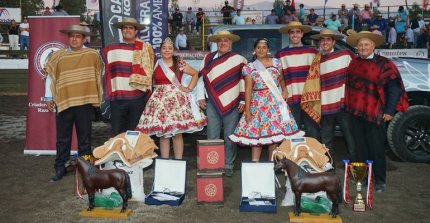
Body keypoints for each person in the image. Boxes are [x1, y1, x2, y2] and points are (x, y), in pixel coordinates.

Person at [345, 31, 409, 192]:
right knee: (360, 148)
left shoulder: (384, 63)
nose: (363, 47)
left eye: (366, 44)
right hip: (356, 113)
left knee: (377, 148)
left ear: (373, 46)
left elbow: (394, 90)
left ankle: (380, 181)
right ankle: (362, 178)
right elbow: (350, 88)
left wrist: (389, 111)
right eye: (360, 45)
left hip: (376, 113)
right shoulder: (354, 63)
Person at [229, 38, 304, 161]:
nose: (261, 50)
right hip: (258, 103)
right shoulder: (249, 67)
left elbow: (280, 80)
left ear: (268, 50)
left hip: (275, 103)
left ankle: (271, 164)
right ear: (254, 50)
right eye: (258, 47)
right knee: (257, 135)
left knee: (274, 136)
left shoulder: (276, 63)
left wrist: (285, 89)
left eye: (264, 47)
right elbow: (248, 88)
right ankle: (255, 164)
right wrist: (247, 110)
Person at [44, 25, 102, 182]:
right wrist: (49, 98)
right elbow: (50, 76)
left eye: (78, 36)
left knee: (85, 139)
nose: (74, 39)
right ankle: (60, 168)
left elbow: (98, 74)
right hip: (64, 101)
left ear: (84, 39)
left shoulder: (92, 55)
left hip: (84, 102)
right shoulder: (58, 56)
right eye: (72, 36)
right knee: (63, 139)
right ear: (68, 38)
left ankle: (86, 169)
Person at [136, 38, 206, 159]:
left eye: (170, 48)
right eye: (164, 48)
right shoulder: (156, 63)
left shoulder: (179, 62)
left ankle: (178, 161)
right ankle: (164, 161)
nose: (167, 50)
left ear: (174, 50)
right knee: (163, 135)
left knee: (177, 134)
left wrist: (188, 88)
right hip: (160, 102)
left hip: (177, 101)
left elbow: (196, 73)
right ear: (160, 50)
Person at [197, 30, 247, 177]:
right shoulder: (207, 59)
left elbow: (244, 80)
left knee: (230, 136)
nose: (223, 43)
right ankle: (213, 164)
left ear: (231, 43)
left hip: (233, 102)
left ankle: (228, 164)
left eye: (226, 40)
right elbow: (201, 79)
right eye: (220, 41)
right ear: (216, 43)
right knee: (212, 135)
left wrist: (243, 99)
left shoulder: (239, 59)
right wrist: (200, 97)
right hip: (212, 102)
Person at [304, 29, 357, 161]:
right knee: (326, 139)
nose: (325, 42)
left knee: (350, 136)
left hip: (342, 104)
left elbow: (357, 71)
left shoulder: (345, 55)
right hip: (325, 105)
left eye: (328, 39)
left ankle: (355, 164)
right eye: (322, 40)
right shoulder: (316, 60)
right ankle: (328, 164)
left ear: (334, 42)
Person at [101, 17, 154, 136]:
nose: (128, 30)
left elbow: (150, 71)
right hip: (118, 97)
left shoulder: (145, 48)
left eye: (131, 28)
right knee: (116, 133)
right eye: (125, 27)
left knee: (134, 133)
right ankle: (118, 154)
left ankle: (133, 155)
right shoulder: (111, 49)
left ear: (136, 31)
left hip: (138, 97)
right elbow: (100, 65)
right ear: (121, 30)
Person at [275, 21, 319, 139]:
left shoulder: (313, 53)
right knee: (293, 131)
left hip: (309, 97)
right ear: (289, 35)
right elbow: (278, 75)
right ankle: (294, 156)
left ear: (302, 34)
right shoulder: (280, 54)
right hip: (290, 96)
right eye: (292, 32)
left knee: (313, 129)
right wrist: (283, 90)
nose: (295, 35)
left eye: (297, 32)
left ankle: (314, 156)